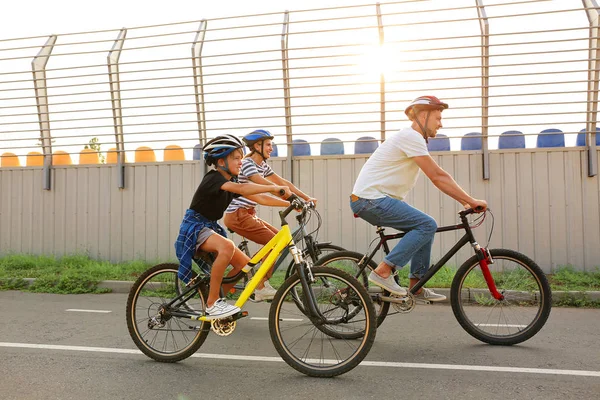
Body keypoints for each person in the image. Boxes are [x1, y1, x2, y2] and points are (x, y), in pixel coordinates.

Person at [350, 95, 488, 302]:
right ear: (423, 115)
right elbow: (437, 176)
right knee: (426, 224)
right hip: (370, 199)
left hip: (376, 199)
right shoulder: (411, 136)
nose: (441, 124)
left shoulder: (412, 139)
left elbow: (439, 177)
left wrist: (465, 201)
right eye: (438, 118)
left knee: (425, 228)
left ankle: (416, 286)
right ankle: (383, 271)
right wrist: (470, 200)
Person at [175, 134, 292, 320]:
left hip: (209, 227)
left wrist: (291, 204)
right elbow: (245, 189)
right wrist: (272, 187)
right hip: (195, 227)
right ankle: (213, 304)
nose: (240, 162)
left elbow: (259, 198)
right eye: (236, 158)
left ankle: (215, 299)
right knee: (227, 247)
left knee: (244, 266)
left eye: (241, 157)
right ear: (221, 161)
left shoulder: (232, 181)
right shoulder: (214, 178)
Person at [223, 129, 317, 301]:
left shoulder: (262, 165)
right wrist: (289, 199)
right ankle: (260, 286)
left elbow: (282, 183)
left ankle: (231, 285)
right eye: (268, 145)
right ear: (257, 146)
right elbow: (266, 186)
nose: (271, 148)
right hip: (238, 215)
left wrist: (305, 197)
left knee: (277, 243)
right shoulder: (248, 164)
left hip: (248, 214)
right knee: (274, 243)